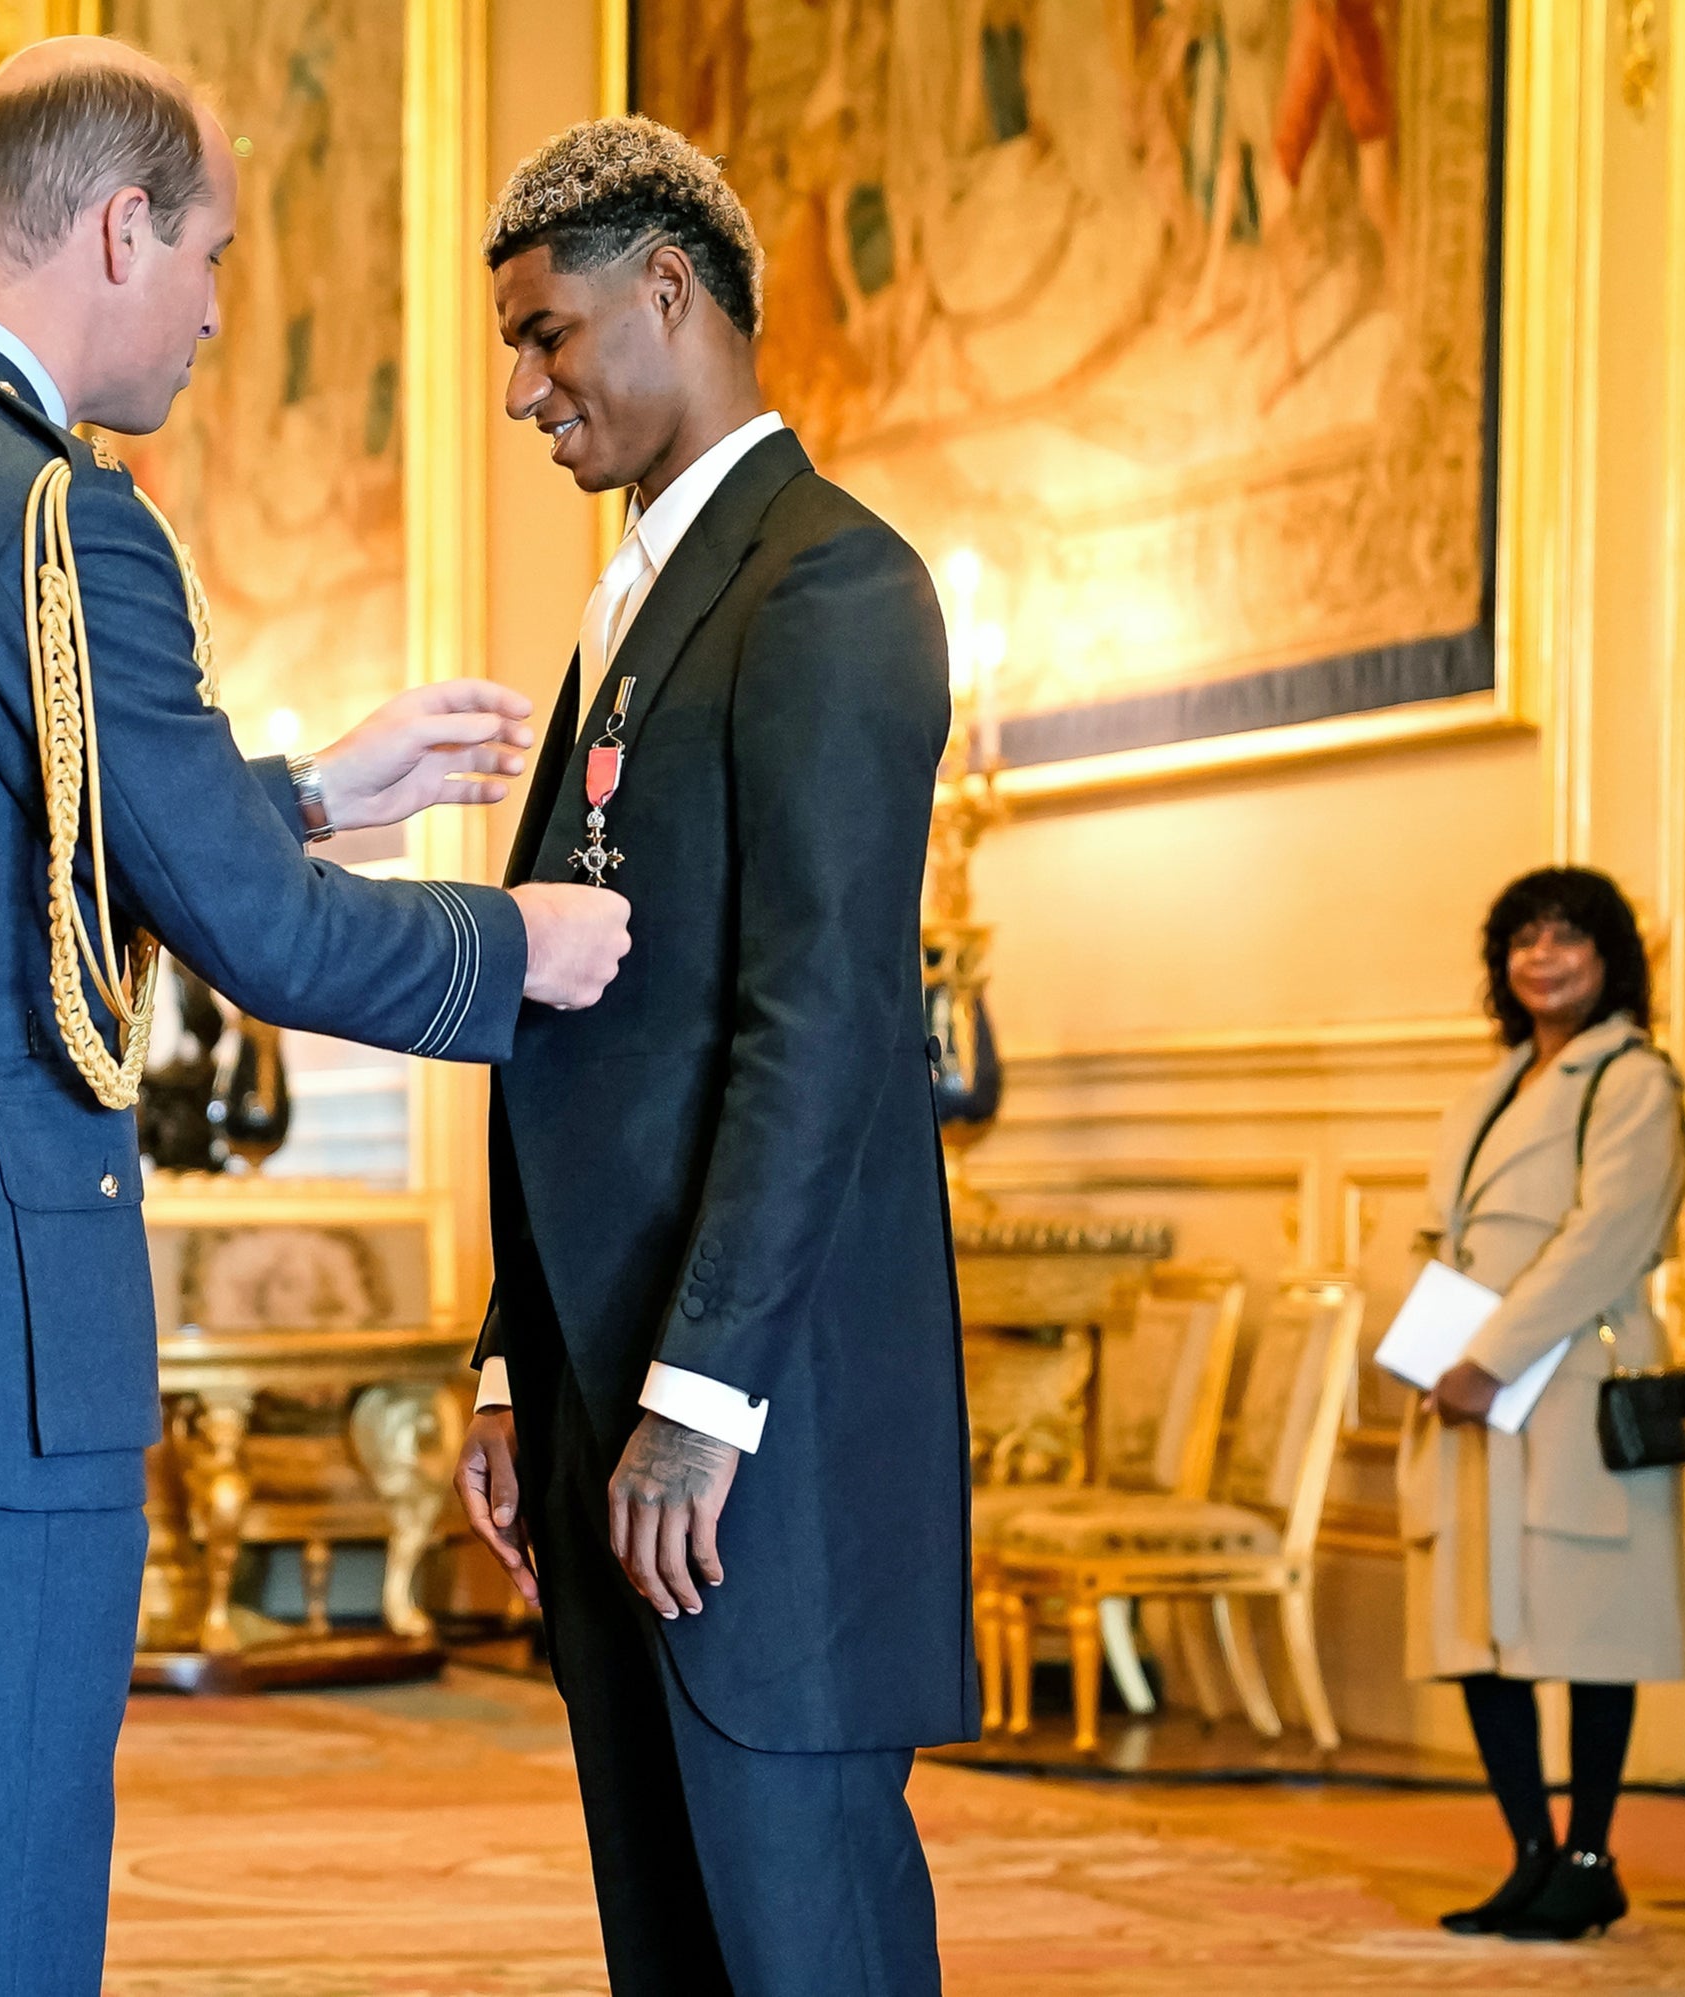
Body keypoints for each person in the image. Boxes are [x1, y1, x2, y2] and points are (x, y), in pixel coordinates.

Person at [0, 39, 629, 1995]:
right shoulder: (56, 516)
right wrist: (517, 939)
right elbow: (266, 945)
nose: (208, 306)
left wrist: (301, 785)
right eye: (210, 254)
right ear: (120, 227)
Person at [450, 118, 973, 1996]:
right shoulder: (639, 603)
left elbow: (818, 1021)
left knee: (794, 1928)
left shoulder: (829, 584)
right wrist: (519, 1351)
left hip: (755, 1419)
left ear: (667, 292)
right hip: (616, 1393)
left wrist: (700, 1399)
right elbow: (569, 1028)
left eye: (545, 334)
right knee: (669, 1934)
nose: (524, 388)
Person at [1401, 865, 1685, 1942]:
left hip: (1569, 1377)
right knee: (1480, 1626)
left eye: (1568, 935)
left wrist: (1492, 1355)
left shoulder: (1634, 1080)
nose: (1544, 955)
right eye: (1524, 937)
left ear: (1609, 954)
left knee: (1591, 1624)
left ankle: (1589, 1851)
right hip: (1470, 1386)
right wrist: (1436, 1354)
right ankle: (1529, 1849)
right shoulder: (1495, 1085)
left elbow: (1602, 1240)